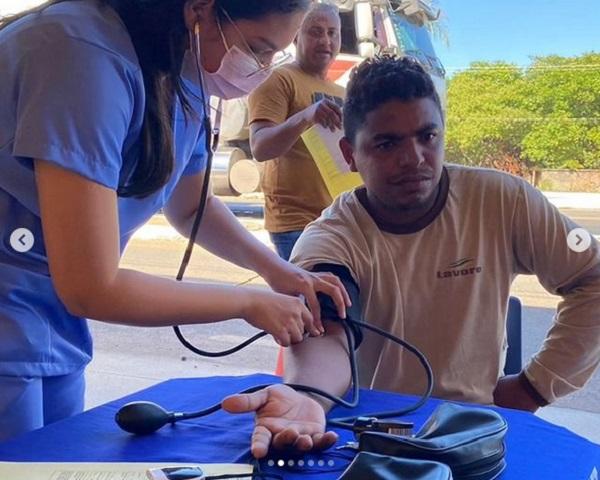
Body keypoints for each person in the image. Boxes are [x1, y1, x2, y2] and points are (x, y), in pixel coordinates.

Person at [0, 0, 351, 442]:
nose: (261, 68)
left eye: (271, 55)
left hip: (50, 326)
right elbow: (92, 287)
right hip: (13, 315)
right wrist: (249, 303)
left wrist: (281, 272)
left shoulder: (181, 70)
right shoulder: (80, 55)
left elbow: (190, 206)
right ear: (201, 10)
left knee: (49, 458)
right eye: (258, 48)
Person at [222, 55, 600, 459]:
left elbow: (593, 276)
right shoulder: (330, 237)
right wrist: (308, 398)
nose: (414, 157)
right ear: (350, 154)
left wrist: (534, 386)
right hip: (371, 436)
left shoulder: (505, 200)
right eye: (387, 143)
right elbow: (326, 332)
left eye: (427, 136)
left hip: (475, 433)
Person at [248, 2, 345, 260]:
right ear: (296, 36)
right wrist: (306, 116)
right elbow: (260, 147)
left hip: (339, 219)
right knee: (311, 300)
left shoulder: (344, 93)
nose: (325, 40)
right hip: (295, 224)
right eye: (315, 31)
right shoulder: (278, 79)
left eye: (332, 32)